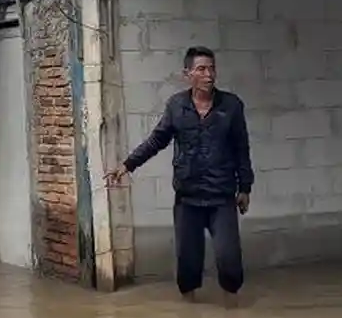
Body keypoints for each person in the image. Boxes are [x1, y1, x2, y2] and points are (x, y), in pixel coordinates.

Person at [105, 46, 254, 304]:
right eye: (201, 69)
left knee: (229, 260)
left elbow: (242, 148)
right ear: (188, 74)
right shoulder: (177, 106)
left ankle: (232, 311)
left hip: (221, 196)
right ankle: (189, 313)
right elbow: (156, 140)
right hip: (188, 197)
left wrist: (245, 187)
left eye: (212, 69)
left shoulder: (231, 106)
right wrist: (128, 165)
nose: (209, 75)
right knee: (188, 264)